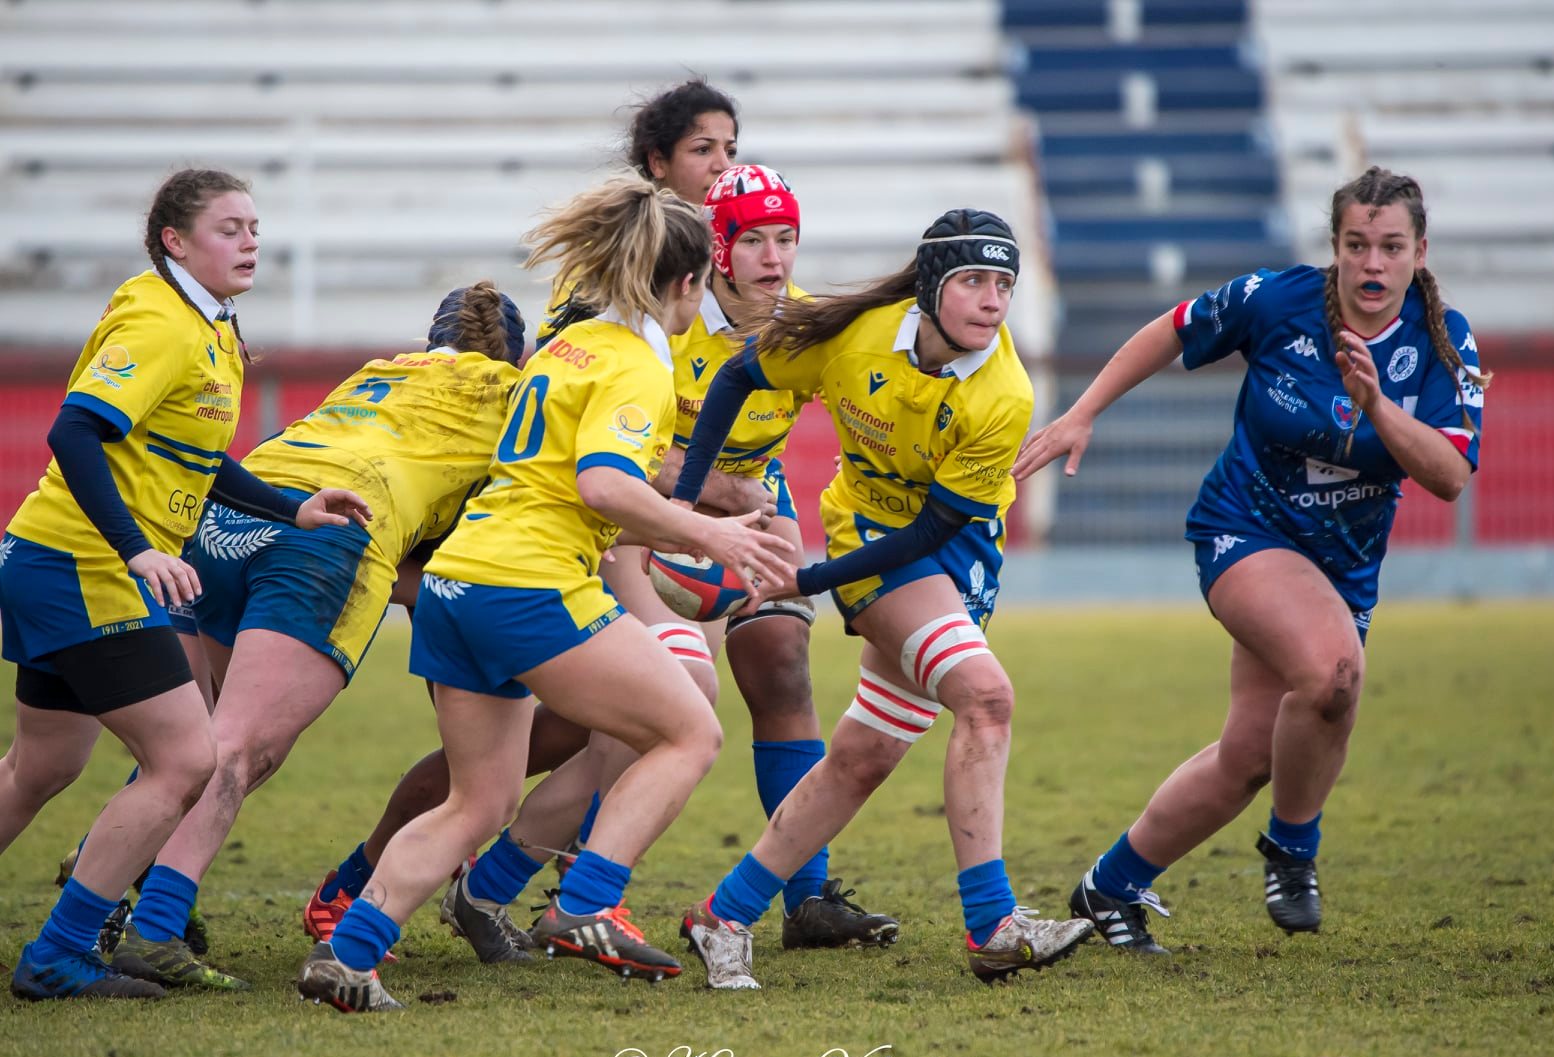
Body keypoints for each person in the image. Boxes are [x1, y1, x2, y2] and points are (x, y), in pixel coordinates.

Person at [295, 176, 796, 1011]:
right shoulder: (637, 365)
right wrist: (710, 532)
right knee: (689, 732)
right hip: (527, 583)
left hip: (460, 579)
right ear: (686, 283)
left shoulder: (571, 344)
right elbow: (602, 486)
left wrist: (677, 528)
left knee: (477, 801)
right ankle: (588, 902)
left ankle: (348, 955)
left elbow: (562, 487)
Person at [1011, 166, 1487, 952]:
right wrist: (1081, 412)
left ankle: (1109, 886)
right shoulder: (1277, 300)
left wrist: (1376, 407)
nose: (1371, 264)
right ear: (1333, 247)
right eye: (1356, 245)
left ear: (1419, 253)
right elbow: (1171, 326)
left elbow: (1448, 476)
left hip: (1343, 566)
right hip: (1244, 532)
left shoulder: (1443, 342)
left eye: (1390, 248)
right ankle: (1292, 853)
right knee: (1333, 674)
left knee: (1248, 755)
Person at [441, 164, 898, 958]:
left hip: (730, 526)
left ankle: (807, 893)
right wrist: (709, 496)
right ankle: (541, 892)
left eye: (786, 237)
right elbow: (595, 454)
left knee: (773, 673)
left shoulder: (808, 327)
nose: (773, 257)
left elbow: (879, 401)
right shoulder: (634, 323)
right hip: (632, 532)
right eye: (752, 238)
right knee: (660, 710)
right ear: (710, 255)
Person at [671, 209, 1095, 989]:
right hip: (868, 540)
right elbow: (738, 376)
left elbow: (936, 527)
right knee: (986, 697)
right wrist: (685, 503)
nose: (992, 300)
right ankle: (993, 923)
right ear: (931, 286)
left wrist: (800, 581)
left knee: (860, 760)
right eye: (973, 280)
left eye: (1004, 284)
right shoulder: (858, 333)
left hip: (951, 551)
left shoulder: (1004, 393)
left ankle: (720, 916)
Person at [83, 282, 534, 990]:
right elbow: (475, 548)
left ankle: (109, 872)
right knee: (237, 747)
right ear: (520, 353)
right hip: (326, 537)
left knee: (199, 746)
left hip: (229, 513)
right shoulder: (511, 397)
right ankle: (156, 929)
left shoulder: (381, 372)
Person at [0, 168, 368, 1001]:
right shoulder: (163, 321)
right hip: (82, 569)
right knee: (186, 760)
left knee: (41, 767)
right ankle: (59, 957)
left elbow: (197, 460)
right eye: (229, 228)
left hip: (58, 564)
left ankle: (67, 946)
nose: (251, 242)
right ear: (174, 239)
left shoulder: (206, 322)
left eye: (254, 228)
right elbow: (74, 431)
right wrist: (134, 550)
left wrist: (293, 508)